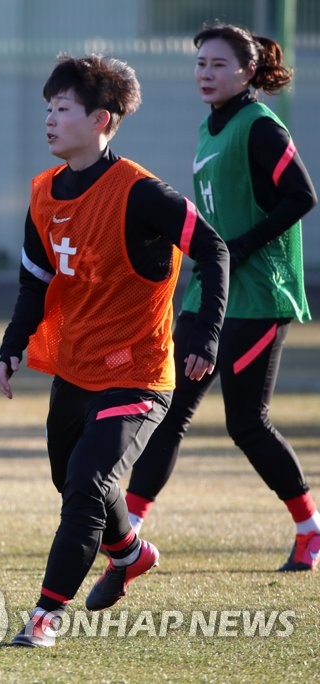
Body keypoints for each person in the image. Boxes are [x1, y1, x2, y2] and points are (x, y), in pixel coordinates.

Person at [0, 54, 229, 648]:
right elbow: (36, 280)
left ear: (101, 119)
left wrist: (203, 333)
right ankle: (129, 553)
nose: (49, 119)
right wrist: (13, 343)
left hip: (140, 375)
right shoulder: (44, 193)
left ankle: (44, 619)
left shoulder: (142, 193)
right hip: (74, 368)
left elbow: (214, 250)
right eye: (47, 108)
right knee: (74, 481)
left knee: (85, 484)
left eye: (62, 109)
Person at [125, 24, 318, 571]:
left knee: (246, 423)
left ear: (248, 71)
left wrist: (237, 250)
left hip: (258, 296)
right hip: (210, 293)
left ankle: (309, 530)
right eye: (201, 64)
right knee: (169, 411)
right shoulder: (212, 129)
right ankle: (129, 533)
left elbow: (302, 195)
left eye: (217, 64)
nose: (204, 74)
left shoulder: (260, 127)